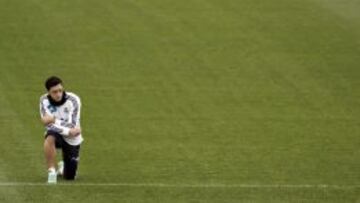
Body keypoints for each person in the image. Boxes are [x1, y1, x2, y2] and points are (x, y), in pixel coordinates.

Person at [39, 76, 83, 183]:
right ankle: (51, 170)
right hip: (60, 133)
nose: (58, 94)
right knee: (50, 136)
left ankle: (63, 167)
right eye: (54, 92)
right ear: (48, 92)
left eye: (60, 90)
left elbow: (72, 125)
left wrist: (53, 119)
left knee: (70, 177)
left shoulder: (73, 100)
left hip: (73, 139)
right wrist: (67, 131)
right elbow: (49, 126)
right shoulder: (44, 100)